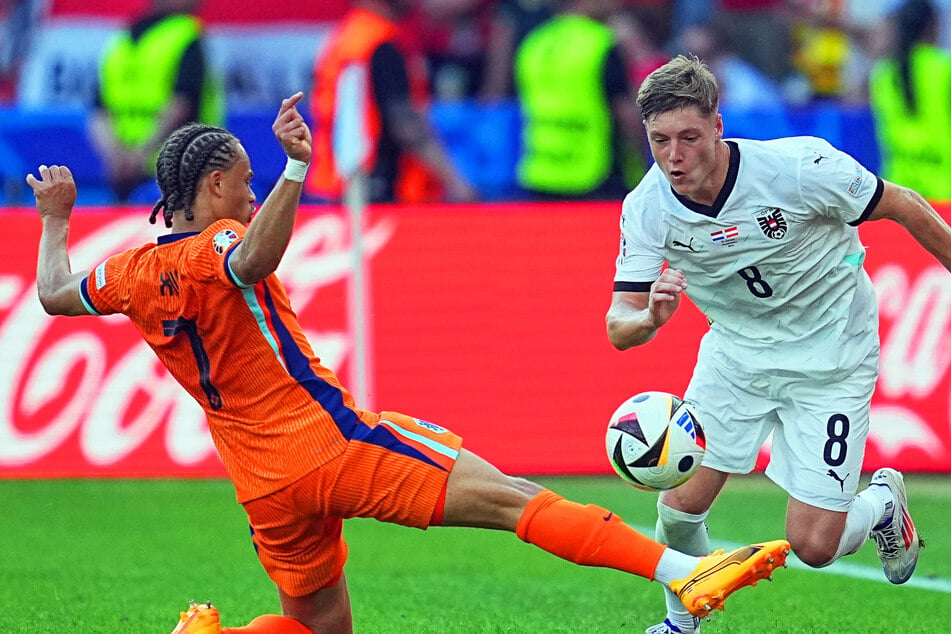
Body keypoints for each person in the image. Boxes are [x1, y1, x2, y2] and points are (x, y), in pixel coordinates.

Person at [28, 91, 789, 633]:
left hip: (261, 487)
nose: (253, 195)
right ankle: (681, 574)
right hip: (331, 445)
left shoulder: (127, 273)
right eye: (248, 183)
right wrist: (297, 171)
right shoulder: (220, 245)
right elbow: (251, 261)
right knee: (511, 498)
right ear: (217, 184)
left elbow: (57, 293)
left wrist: (56, 221)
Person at [607, 55, 949, 634]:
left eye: (689, 137)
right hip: (736, 358)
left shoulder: (799, 168)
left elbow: (904, 204)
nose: (674, 156)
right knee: (679, 504)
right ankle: (679, 622)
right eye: (660, 140)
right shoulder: (646, 208)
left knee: (813, 545)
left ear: (718, 126)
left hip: (832, 360)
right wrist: (649, 321)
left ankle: (883, 504)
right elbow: (620, 323)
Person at [307, 0, 477, 205]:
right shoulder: (380, 45)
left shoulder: (349, 35)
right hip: (376, 189)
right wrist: (456, 183)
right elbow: (406, 125)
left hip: (340, 183)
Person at [88, 0, 224, 203]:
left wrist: (116, 158)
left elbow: (99, 114)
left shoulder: (120, 40)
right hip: (182, 170)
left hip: (124, 172)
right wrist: (139, 156)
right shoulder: (186, 34)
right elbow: (181, 104)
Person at [514, 0, 646, 201]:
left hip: (541, 171)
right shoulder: (600, 42)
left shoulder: (535, 43)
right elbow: (626, 115)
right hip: (596, 174)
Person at [869, 0, 951, 200]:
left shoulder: (883, 74)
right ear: (932, 25)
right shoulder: (943, 69)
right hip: (944, 192)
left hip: (897, 194)